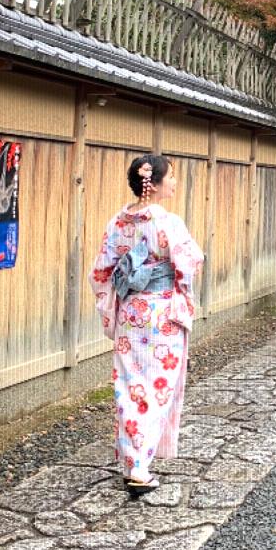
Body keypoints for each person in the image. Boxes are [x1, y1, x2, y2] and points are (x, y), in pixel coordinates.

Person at [91, 155, 204, 497]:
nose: (174, 183)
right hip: (161, 316)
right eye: (171, 177)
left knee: (128, 386)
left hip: (130, 314)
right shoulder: (168, 222)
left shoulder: (117, 222)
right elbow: (191, 262)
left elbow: (101, 271)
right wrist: (178, 286)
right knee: (156, 390)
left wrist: (115, 304)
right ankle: (139, 467)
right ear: (152, 184)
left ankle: (132, 461)